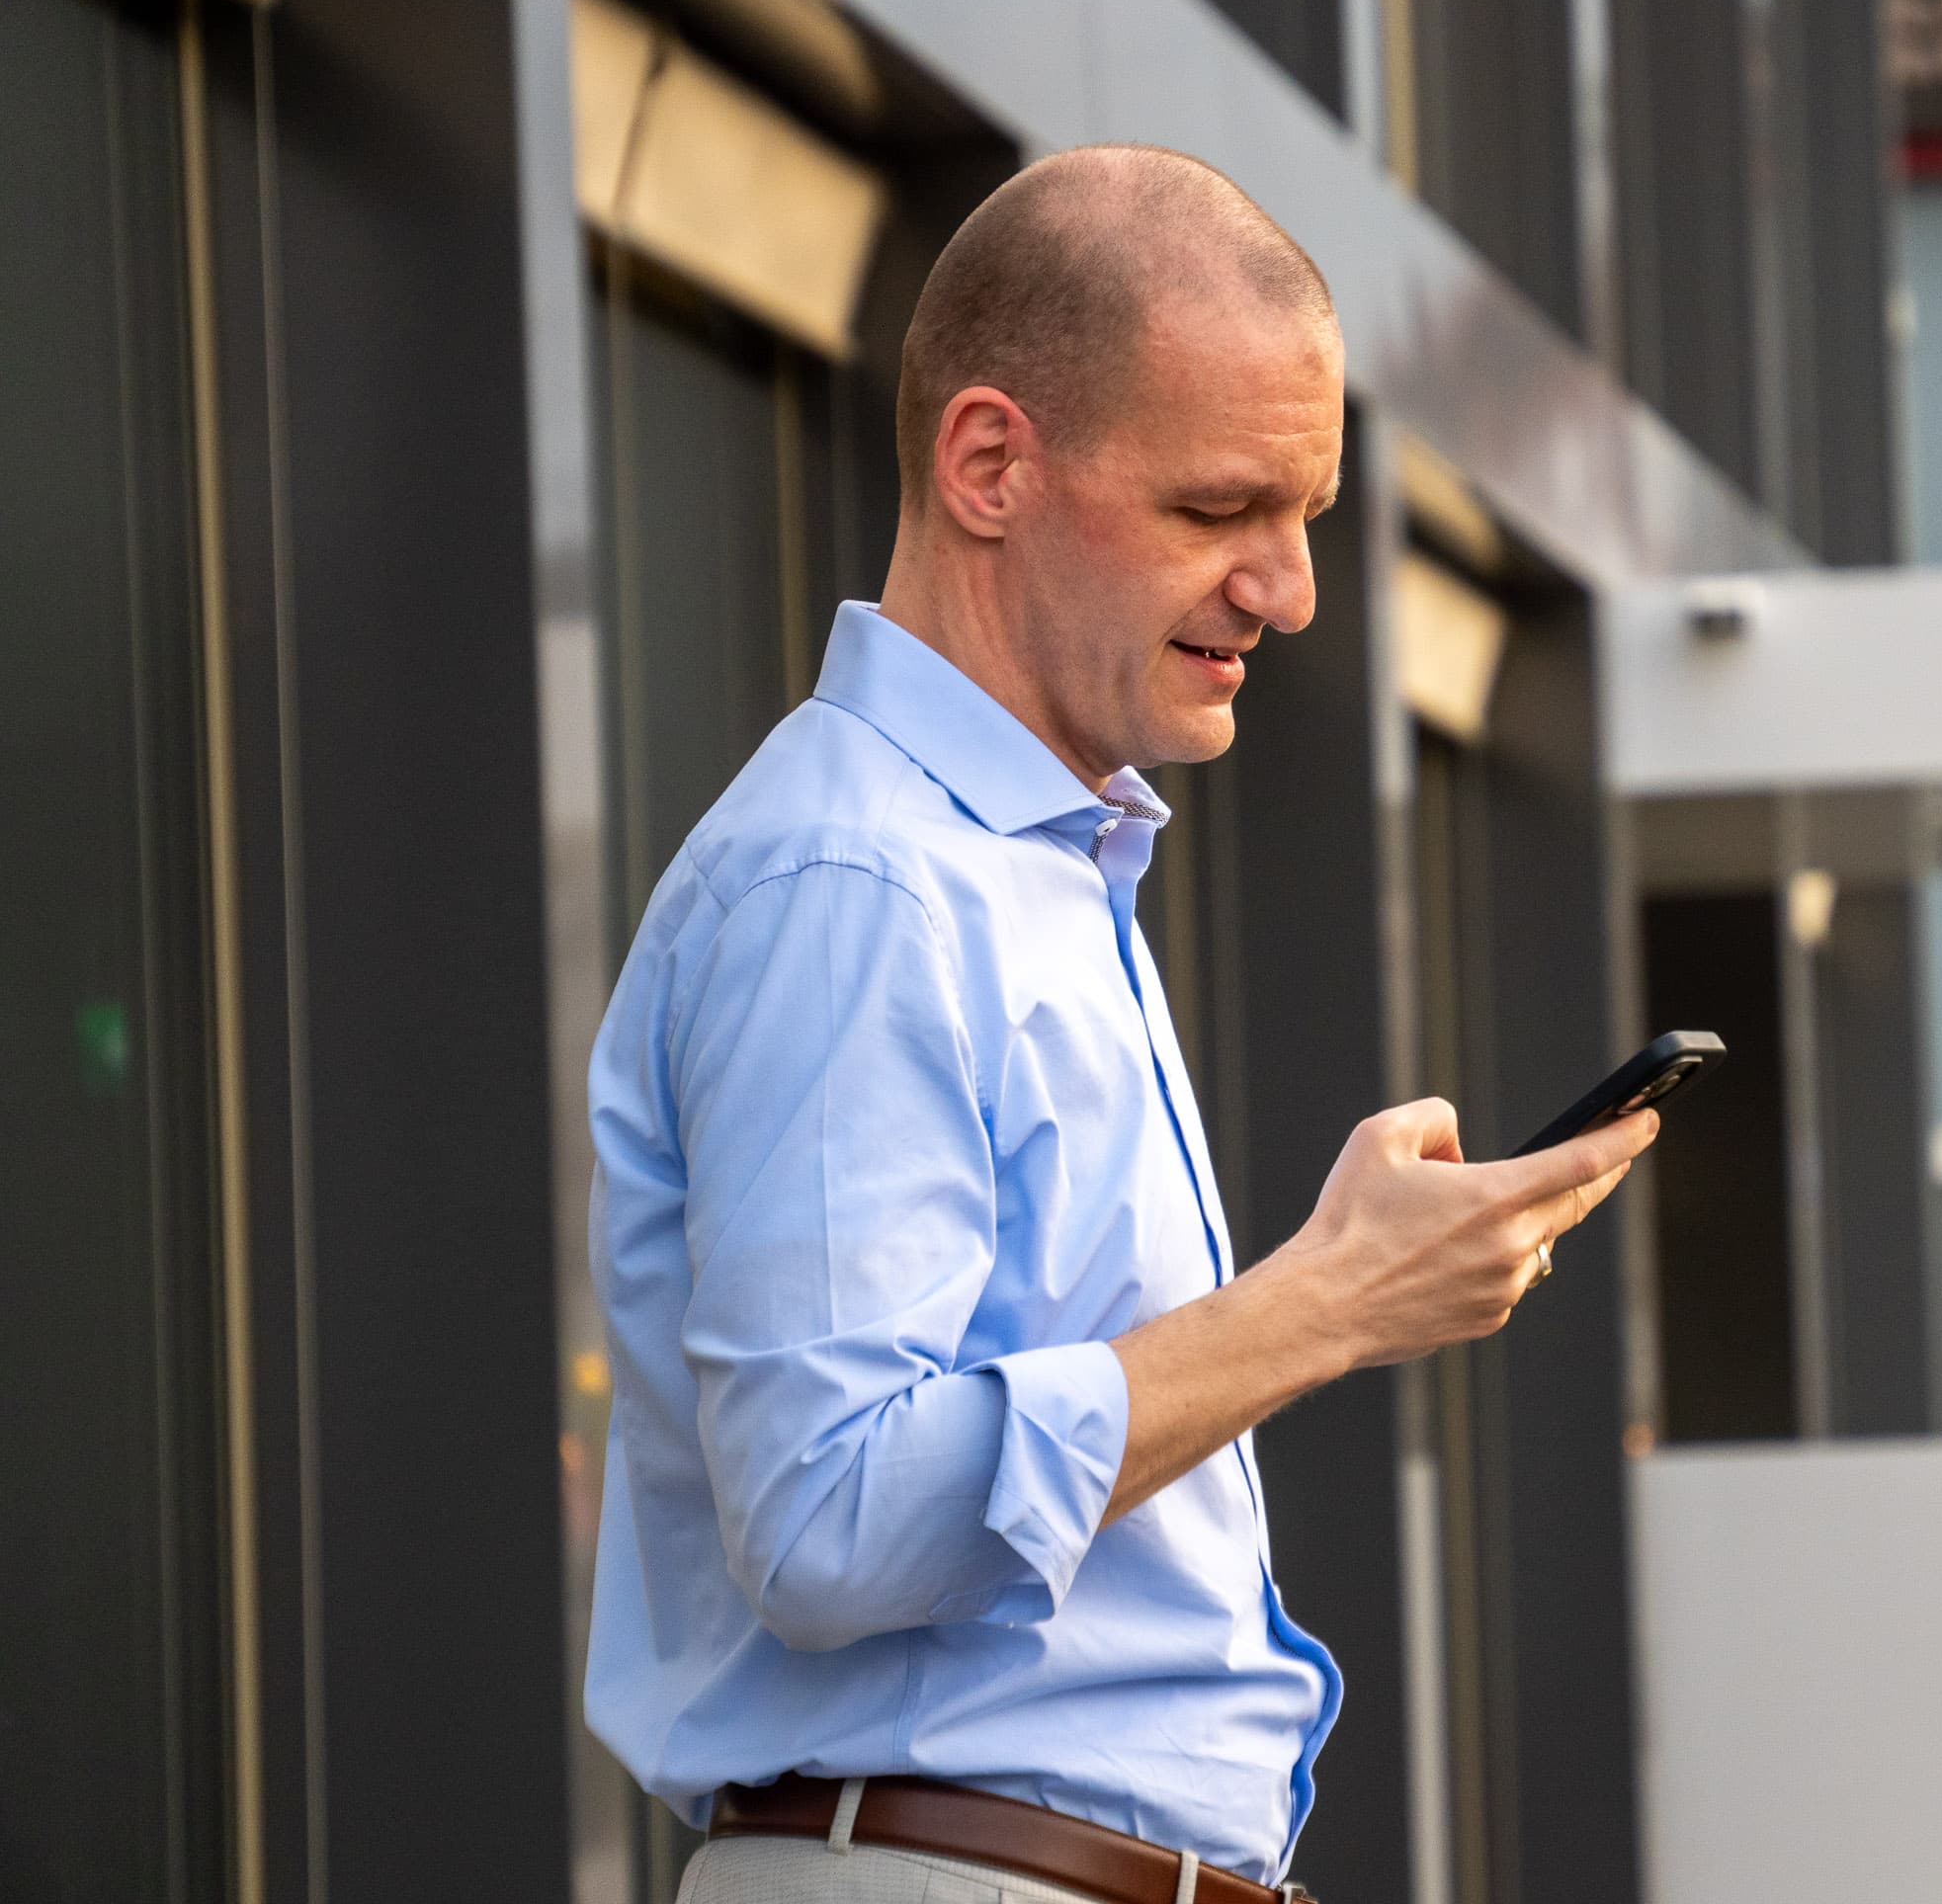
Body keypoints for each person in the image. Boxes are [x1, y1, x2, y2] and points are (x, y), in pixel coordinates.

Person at [582, 144, 1658, 1904]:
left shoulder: (1016, 865)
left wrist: (1332, 1287)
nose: (1289, 588)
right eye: (1220, 510)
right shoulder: (861, 887)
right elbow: (830, 1515)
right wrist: (1327, 1303)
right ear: (991, 462)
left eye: (1303, 514)